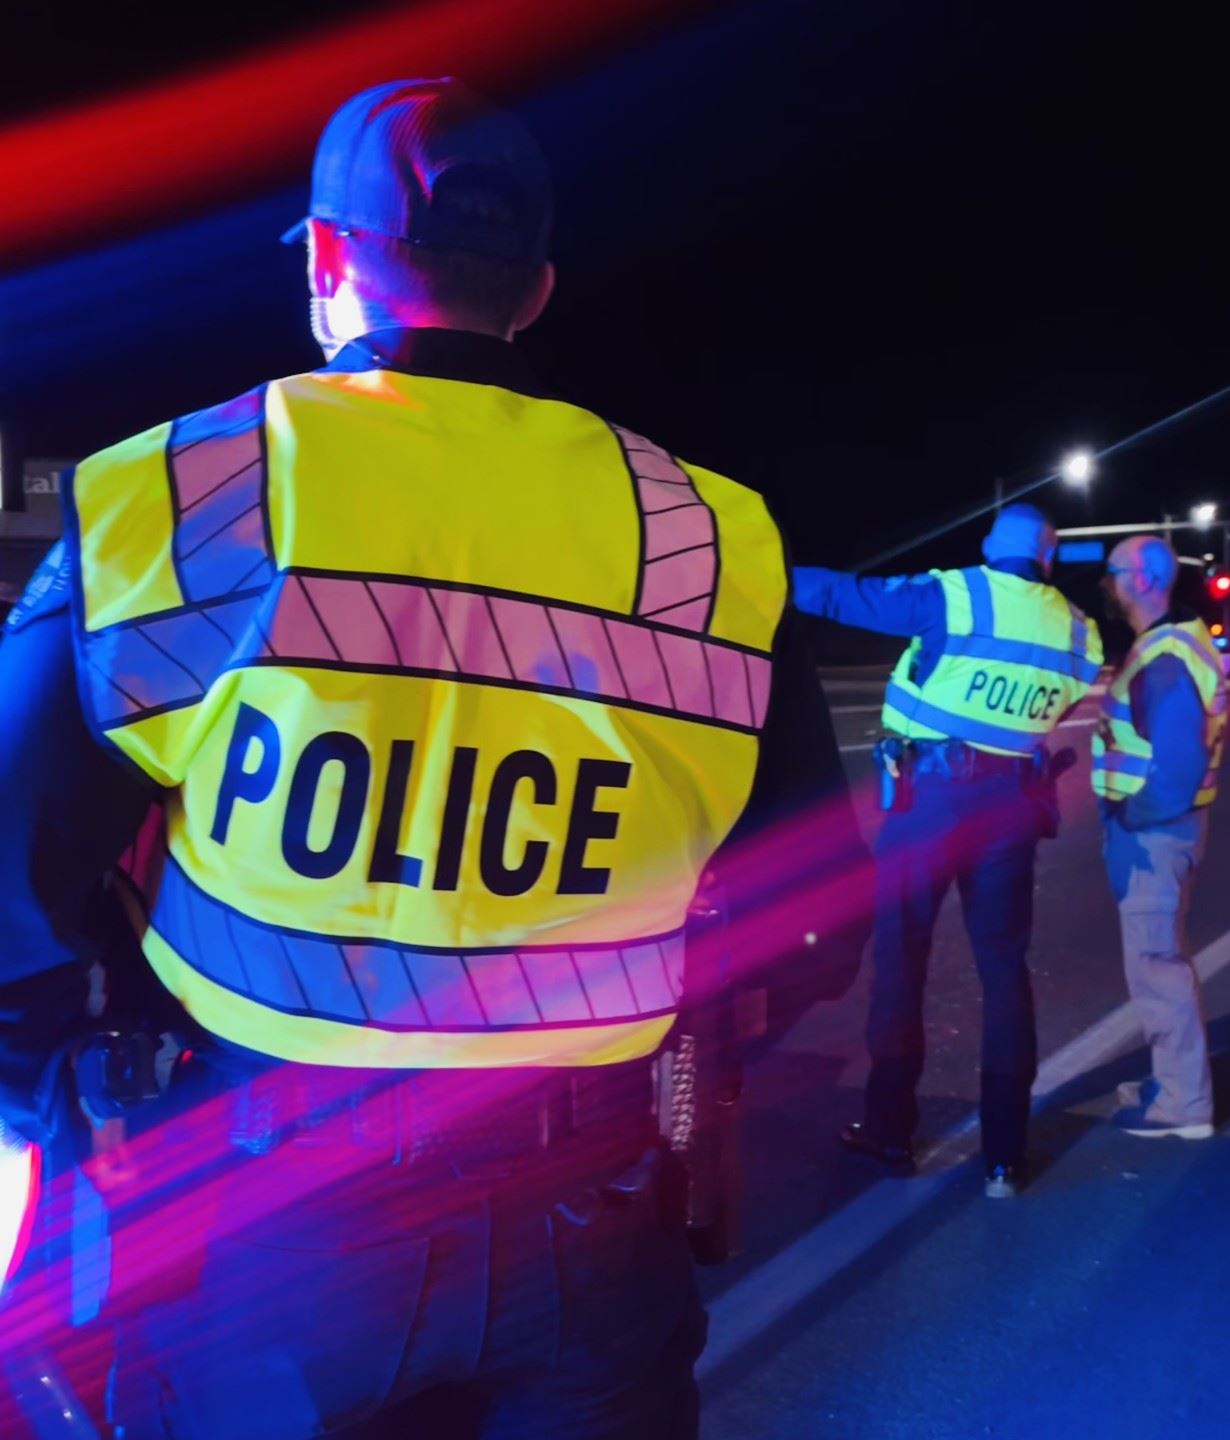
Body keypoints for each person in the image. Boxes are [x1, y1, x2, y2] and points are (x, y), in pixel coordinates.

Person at [0, 77, 865, 1439]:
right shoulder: (708, 539)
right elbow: (813, 923)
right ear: (537, 290)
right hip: (592, 1220)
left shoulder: (191, 496)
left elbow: (10, 872)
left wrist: (76, 1090)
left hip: (271, 1227)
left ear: (325, 259)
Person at [791, 504, 1102, 1197]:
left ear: (992, 544)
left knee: (902, 963)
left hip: (929, 804)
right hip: (1013, 808)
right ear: (1049, 557)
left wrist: (762, 571)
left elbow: (844, 596)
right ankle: (1004, 1157)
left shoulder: (956, 594)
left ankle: (890, 1134)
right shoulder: (1083, 634)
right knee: (1004, 971)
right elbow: (1048, 706)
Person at [1093, 535, 1227, 1140]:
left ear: (1142, 579)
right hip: (1168, 829)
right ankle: (1171, 1080)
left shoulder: (1165, 658)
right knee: (1158, 957)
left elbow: (1178, 767)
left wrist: (1134, 815)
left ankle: (1182, 1104)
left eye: (1113, 571)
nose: (1106, 582)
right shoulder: (1169, 642)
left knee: (1156, 966)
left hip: (1156, 833)